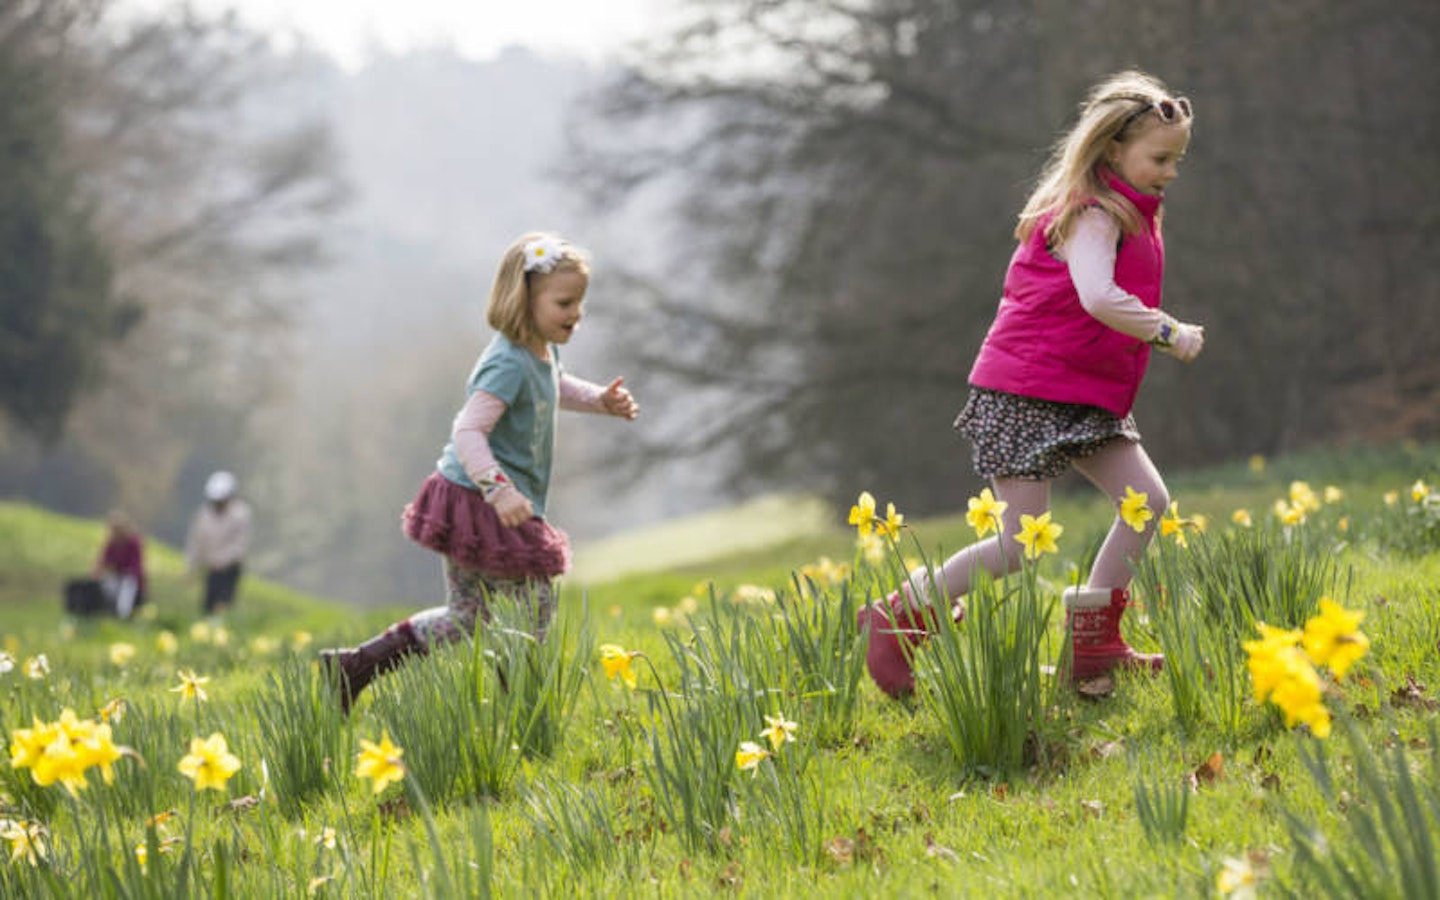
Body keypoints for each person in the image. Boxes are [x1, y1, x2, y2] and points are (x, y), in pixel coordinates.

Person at [857, 70, 1205, 698]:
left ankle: (1095, 644)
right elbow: (1098, 296)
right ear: (1111, 151)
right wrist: (1165, 330)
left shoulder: (1131, 211)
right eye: (1159, 158)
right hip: (1026, 394)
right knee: (1018, 542)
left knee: (1146, 501)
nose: (1170, 171)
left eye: (1176, 159)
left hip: (1083, 395)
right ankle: (898, 616)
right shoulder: (1092, 216)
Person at [320, 231, 640, 713]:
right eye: (565, 302)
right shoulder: (506, 362)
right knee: (535, 605)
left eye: (580, 303)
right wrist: (500, 491)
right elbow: (468, 431)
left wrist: (600, 401)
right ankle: (519, 713)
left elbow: (552, 387)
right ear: (524, 298)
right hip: (482, 500)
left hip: (478, 496)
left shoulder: (540, 351)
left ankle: (356, 666)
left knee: (467, 616)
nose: (575, 313)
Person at [185, 470, 253, 617]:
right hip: (211, 568)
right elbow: (196, 541)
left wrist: (222, 561)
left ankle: (221, 632)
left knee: (223, 604)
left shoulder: (240, 513)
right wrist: (192, 566)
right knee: (208, 604)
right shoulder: (204, 514)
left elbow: (239, 544)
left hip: (229, 569)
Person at [94, 510, 146, 618]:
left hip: (131, 578)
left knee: (127, 586)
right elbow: (103, 561)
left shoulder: (133, 543)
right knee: (107, 583)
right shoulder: (112, 543)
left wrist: (126, 572)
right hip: (117, 576)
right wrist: (98, 574)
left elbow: (136, 565)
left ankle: (123, 615)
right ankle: (109, 610)